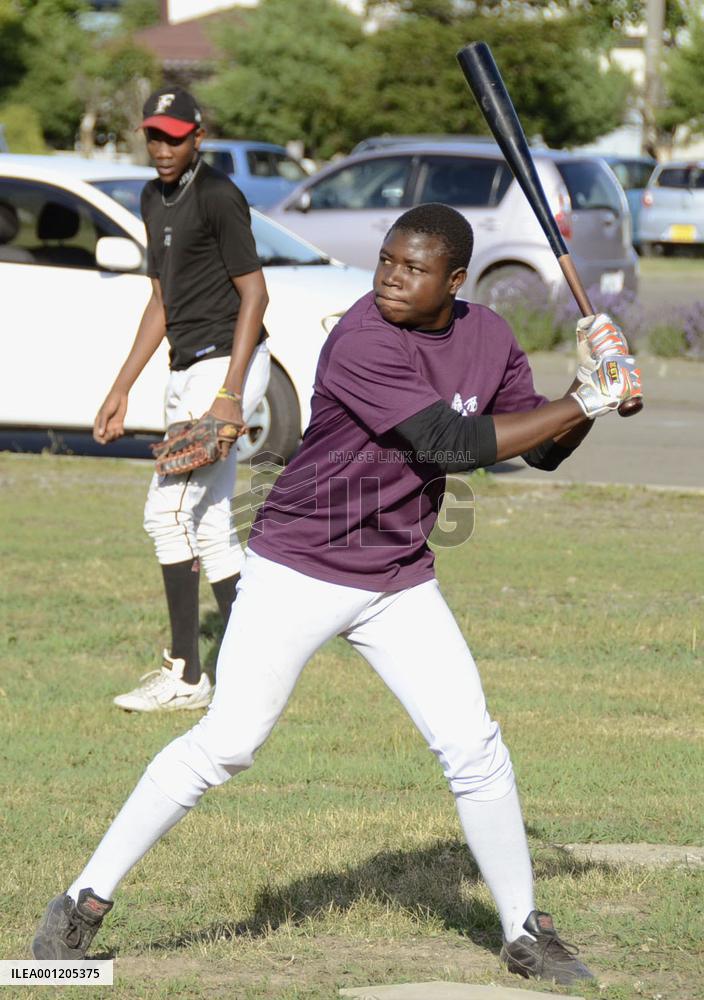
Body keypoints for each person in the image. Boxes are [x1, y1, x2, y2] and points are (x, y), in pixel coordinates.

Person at [32, 204, 641, 985]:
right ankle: (82, 899)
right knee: (228, 744)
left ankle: (525, 931)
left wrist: (592, 388)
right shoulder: (362, 337)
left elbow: (542, 448)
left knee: (474, 746)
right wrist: (587, 399)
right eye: (387, 259)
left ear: (455, 281)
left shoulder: (488, 336)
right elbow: (449, 444)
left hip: (397, 577)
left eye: (413, 267)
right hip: (300, 567)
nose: (390, 276)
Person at [93, 87, 271, 713]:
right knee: (211, 522)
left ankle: (187, 676)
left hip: (225, 368)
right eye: (154, 135)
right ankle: (257, 666)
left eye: (174, 136)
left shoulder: (218, 195)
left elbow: (256, 295)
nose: (162, 147)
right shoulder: (152, 198)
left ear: (198, 136)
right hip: (186, 368)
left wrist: (230, 394)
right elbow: (161, 302)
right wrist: (121, 387)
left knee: (166, 514)